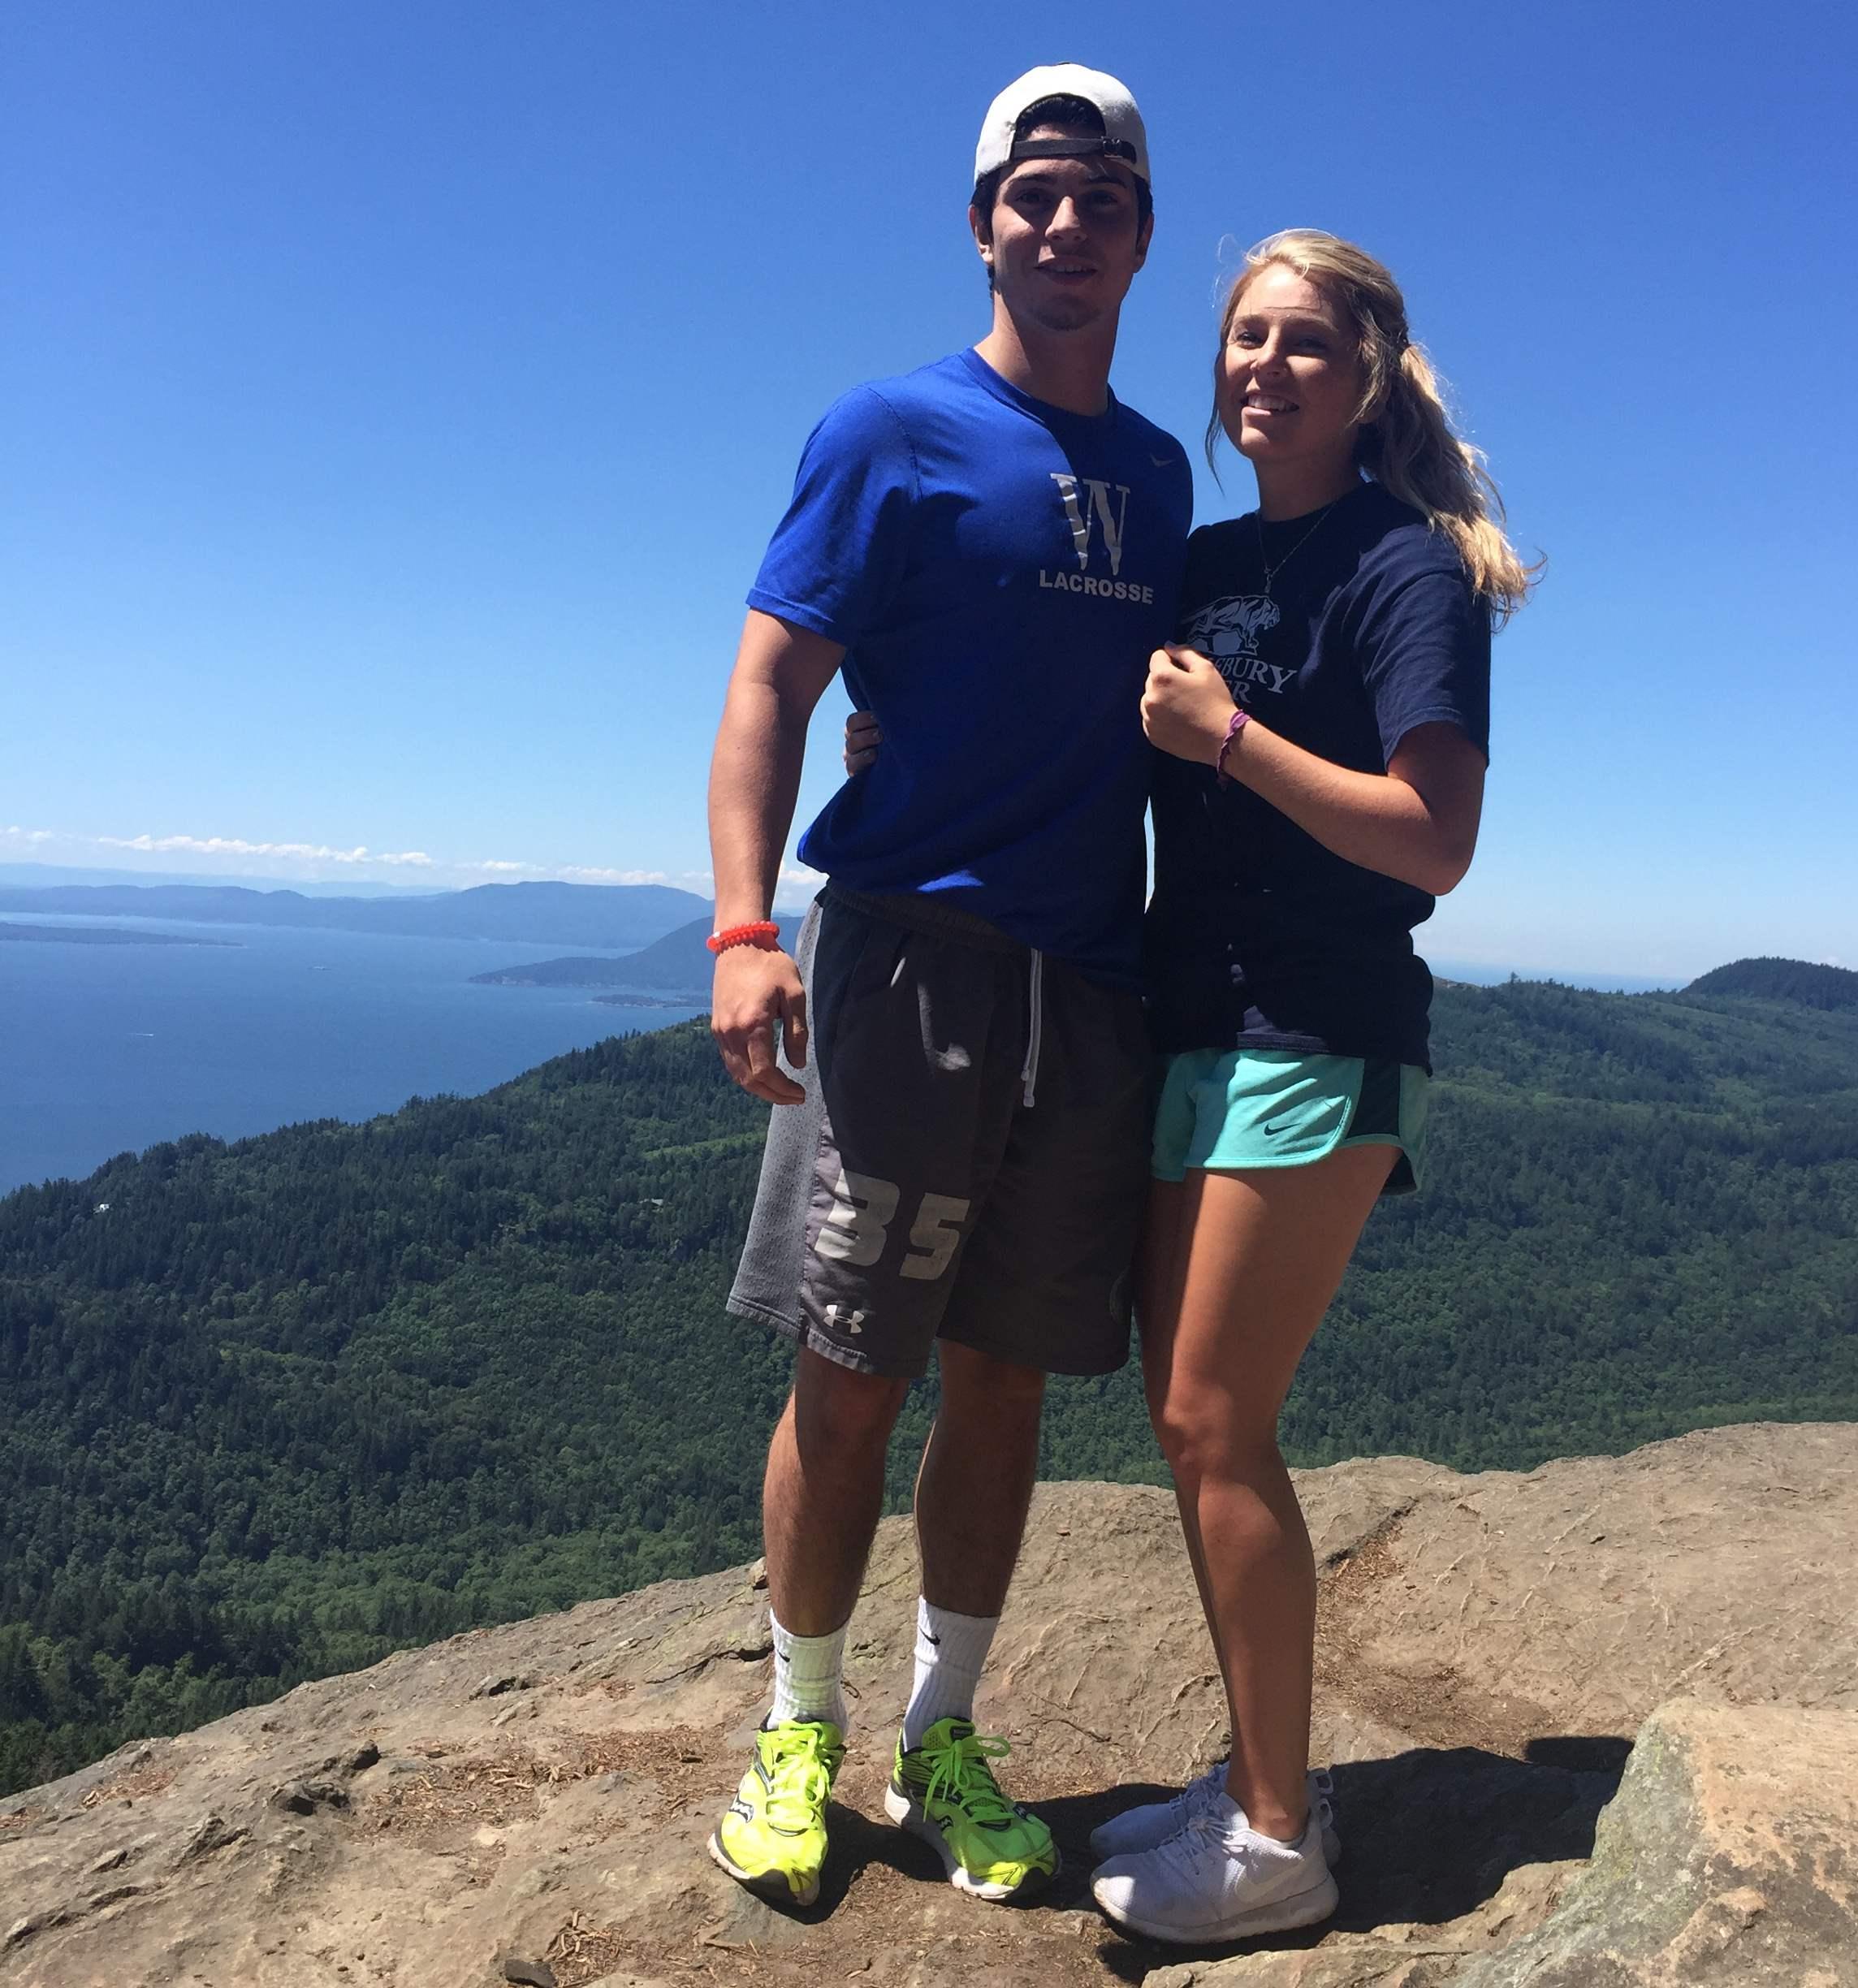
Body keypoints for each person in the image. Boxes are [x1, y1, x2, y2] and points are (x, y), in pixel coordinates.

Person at [847, 228, 1532, 1945]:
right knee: (1184, 1420)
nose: (1265, 369)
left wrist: (1232, 739)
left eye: (1306, 343)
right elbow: (1065, 700)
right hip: (1182, 1028)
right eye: (1245, 338)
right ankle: (1250, 1781)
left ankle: (1283, 1838)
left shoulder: (1407, 570)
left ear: (1371, 375)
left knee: (1216, 1422)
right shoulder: (1210, 557)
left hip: (1318, 1033)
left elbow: (1434, 840)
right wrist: (899, 737)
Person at [702, 65, 1191, 1912]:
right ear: (984, 220)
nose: (1067, 227)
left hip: (1091, 979)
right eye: (1036, 195)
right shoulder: (888, 429)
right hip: (907, 955)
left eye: (1104, 200)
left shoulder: (1156, 475)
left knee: (1004, 1382)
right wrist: (748, 930)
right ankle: (797, 1727)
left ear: (1141, 235)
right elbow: (772, 682)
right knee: (853, 1368)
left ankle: (947, 1733)